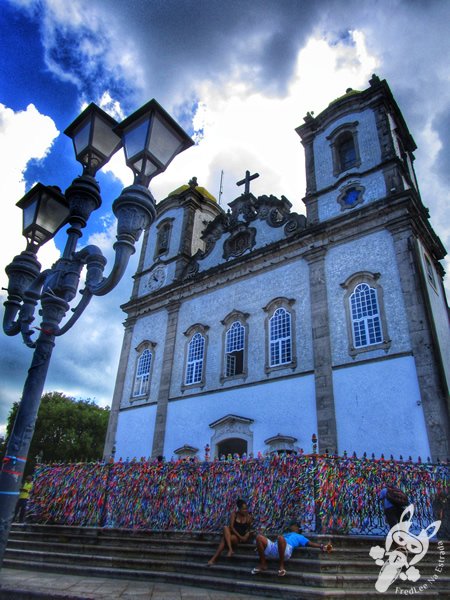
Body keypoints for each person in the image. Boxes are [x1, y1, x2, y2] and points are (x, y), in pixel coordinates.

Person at [251, 521, 332, 576]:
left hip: (286, 550)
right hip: (275, 547)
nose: (291, 526)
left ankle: (281, 566)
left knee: (280, 538)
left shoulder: (300, 536)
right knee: (259, 537)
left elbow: (310, 543)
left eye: (293, 525)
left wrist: (322, 546)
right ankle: (263, 564)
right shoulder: (286, 533)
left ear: (297, 527)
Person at [207, 498, 253, 565]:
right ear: (239, 509)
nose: (245, 510)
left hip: (237, 539)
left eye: (246, 508)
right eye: (243, 509)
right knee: (226, 528)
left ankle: (214, 558)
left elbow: (250, 529)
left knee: (225, 539)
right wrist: (241, 537)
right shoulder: (234, 514)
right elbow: (231, 527)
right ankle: (230, 549)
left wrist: (246, 535)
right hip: (234, 535)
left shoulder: (248, 517)